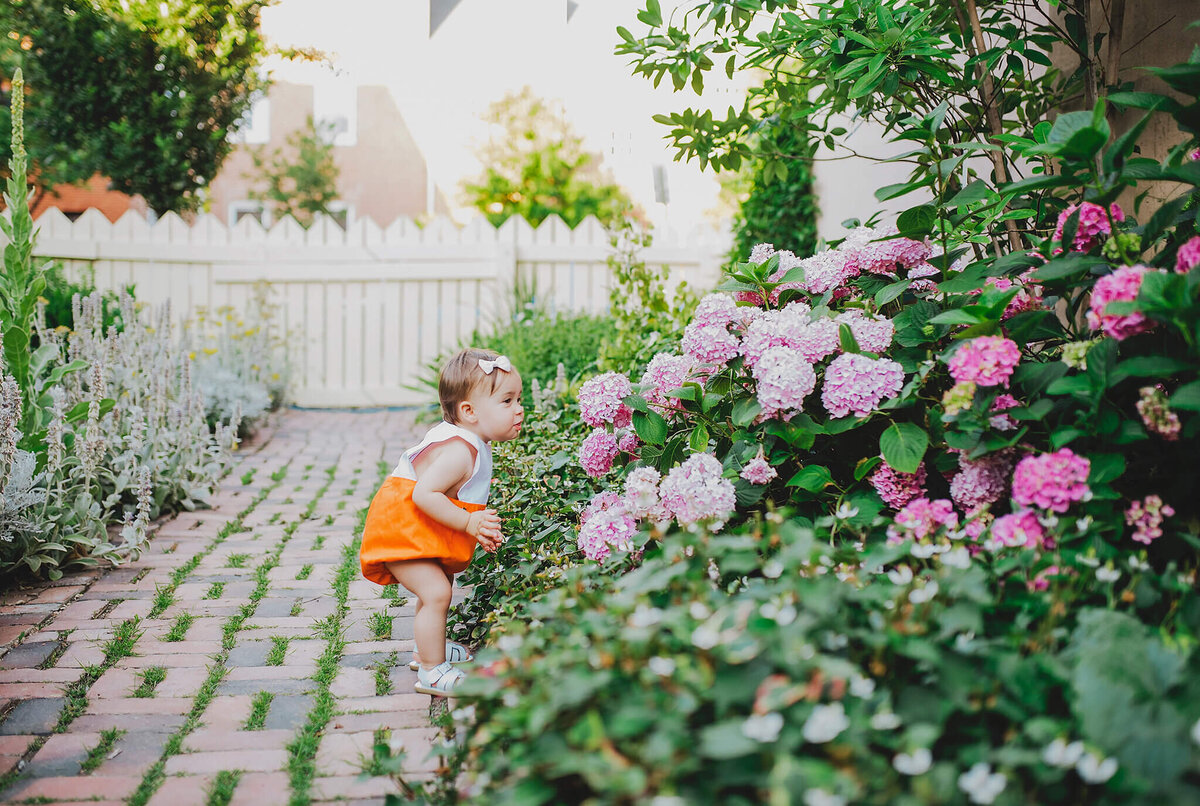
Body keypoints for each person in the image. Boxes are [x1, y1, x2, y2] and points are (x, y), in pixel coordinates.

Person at [360, 348, 522, 696]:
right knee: (436, 592)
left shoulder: (471, 441)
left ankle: (426, 648)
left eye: (518, 398)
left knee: (440, 582)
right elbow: (423, 495)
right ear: (469, 411)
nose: (519, 409)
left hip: (416, 527)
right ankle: (432, 672)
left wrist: (477, 524)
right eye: (507, 401)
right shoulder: (460, 452)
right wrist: (469, 523)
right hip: (400, 528)